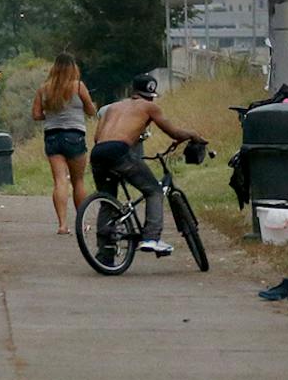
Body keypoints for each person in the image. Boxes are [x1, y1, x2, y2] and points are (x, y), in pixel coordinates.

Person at [90, 74, 202, 256]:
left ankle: (105, 253)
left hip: (98, 152)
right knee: (154, 191)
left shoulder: (113, 107)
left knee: (107, 201)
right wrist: (193, 135)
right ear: (150, 94)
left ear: (133, 91)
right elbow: (173, 132)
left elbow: (97, 138)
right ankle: (151, 237)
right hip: (119, 151)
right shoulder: (150, 107)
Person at [31, 53, 96, 235]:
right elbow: (91, 110)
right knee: (78, 181)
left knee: (60, 181)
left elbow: (36, 115)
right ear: (73, 68)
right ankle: (81, 223)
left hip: (52, 137)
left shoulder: (44, 89)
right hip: (74, 135)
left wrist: (51, 116)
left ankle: (62, 225)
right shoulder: (78, 86)